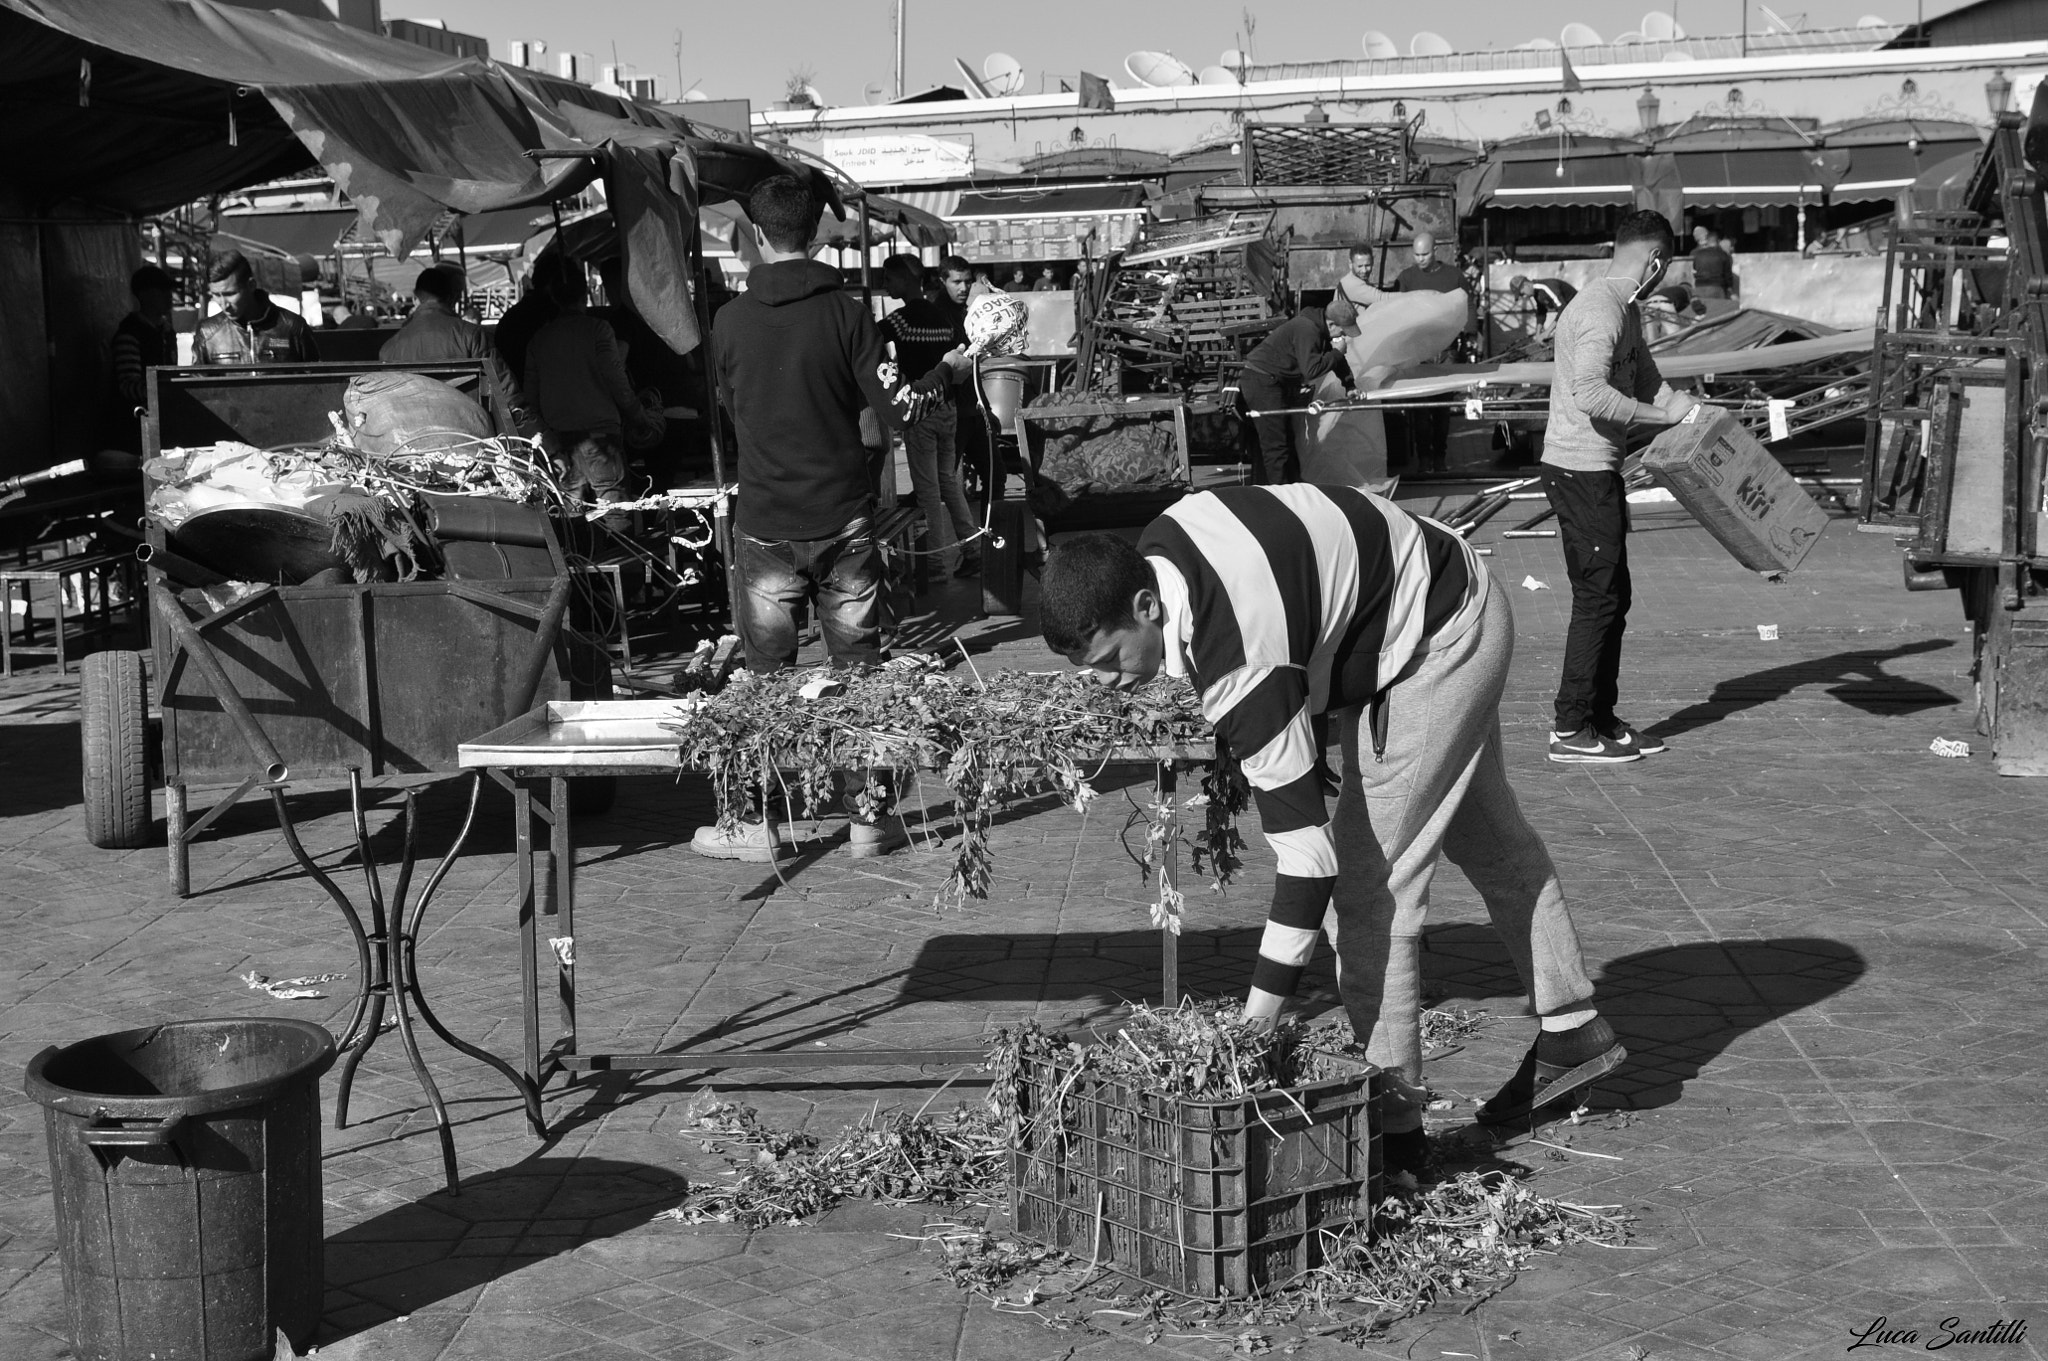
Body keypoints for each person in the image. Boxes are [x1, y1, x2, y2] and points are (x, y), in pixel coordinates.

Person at [1039, 492, 1627, 1178]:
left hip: (1435, 638)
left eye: (1109, 660)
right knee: (1488, 838)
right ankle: (1572, 1025)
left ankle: (1396, 1131)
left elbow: (1308, 863)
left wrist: (1253, 1027)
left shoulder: (1242, 663)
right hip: (1434, 590)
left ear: (1146, 606)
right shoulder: (1165, 538)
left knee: (1368, 885)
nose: (1105, 684)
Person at [1541, 209, 1699, 765]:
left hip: (1599, 470)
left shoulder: (1626, 311)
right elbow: (1590, 392)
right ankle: (1569, 727)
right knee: (1597, 596)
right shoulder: (1599, 310)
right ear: (1655, 261)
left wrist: (1689, 413)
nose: (1662, 279)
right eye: (1666, 267)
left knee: (1615, 595)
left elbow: (1647, 379)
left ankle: (1600, 717)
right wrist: (1659, 419)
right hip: (1577, 469)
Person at [522, 268, 656, 522]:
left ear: (554, 298)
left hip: (561, 441)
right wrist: (639, 416)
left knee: (572, 520)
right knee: (615, 513)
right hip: (599, 435)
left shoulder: (539, 340)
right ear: (585, 295)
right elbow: (616, 380)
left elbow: (530, 399)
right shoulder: (598, 330)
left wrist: (547, 442)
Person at [879, 254, 978, 579]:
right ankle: (972, 549)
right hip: (947, 407)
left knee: (929, 491)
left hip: (921, 411)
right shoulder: (940, 317)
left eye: (890, 279)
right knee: (949, 483)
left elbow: (870, 341)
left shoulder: (900, 322)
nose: (886, 285)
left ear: (907, 280)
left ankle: (936, 565)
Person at [1235, 296, 1358, 486]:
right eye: (1343, 330)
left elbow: (1336, 360)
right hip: (1261, 381)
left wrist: (1349, 385)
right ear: (1331, 324)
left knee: (1288, 441)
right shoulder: (1307, 329)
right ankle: (1281, 495)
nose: (1344, 336)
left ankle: (1294, 487)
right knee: (1276, 445)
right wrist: (1336, 352)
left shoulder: (1321, 330)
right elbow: (1311, 370)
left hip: (1275, 381)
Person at [1390, 231, 1466, 473]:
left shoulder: (1453, 276)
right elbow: (1397, 309)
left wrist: (1470, 332)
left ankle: (1439, 458)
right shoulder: (1407, 278)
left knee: (1442, 408)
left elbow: (1468, 303)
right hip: (1418, 352)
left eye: (1424, 254)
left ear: (1435, 251)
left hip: (1446, 350)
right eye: (1416, 254)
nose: (1420, 258)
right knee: (1421, 410)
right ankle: (1424, 458)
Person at [192, 249, 317, 365]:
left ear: (251, 285)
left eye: (230, 294)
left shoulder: (293, 327)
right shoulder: (207, 333)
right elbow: (197, 386)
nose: (224, 305)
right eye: (216, 295)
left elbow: (317, 383)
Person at [104, 264, 178, 458]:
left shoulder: (167, 332)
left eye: (169, 290)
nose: (169, 296)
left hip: (164, 423)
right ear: (144, 295)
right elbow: (127, 386)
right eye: (162, 290)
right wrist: (163, 391)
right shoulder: (130, 334)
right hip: (134, 430)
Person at [379, 265, 489, 363]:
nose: (460, 298)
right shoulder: (472, 336)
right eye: (458, 293)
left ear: (415, 297)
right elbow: (499, 381)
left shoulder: (388, 349)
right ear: (450, 296)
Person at [1507, 274, 1578, 342]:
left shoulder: (1545, 287)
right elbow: (1541, 312)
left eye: (1522, 294)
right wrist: (1538, 334)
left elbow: (1563, 309)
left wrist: (1547, 332)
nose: (1524, 296)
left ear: (1526, 284)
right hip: (1571, 314)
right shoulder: (1536, 293)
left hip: (1580, 311)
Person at [1335, 243, 1390, 310]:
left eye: (1367, 265)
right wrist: (1406, 295)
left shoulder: (1360, 282)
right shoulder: (1351, 284)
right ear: (1350, 263)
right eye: (1360, 266)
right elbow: (1382, 298)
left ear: (1372, 262)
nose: (1364, 270)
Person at [1689, 225, 1732, 301]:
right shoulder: (1722, 254)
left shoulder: (1696, 254)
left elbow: (1694, 270)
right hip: (1717, 288)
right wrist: (1729, 288)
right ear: (1718, 241)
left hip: (1698, 288)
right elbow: (1728, 275)